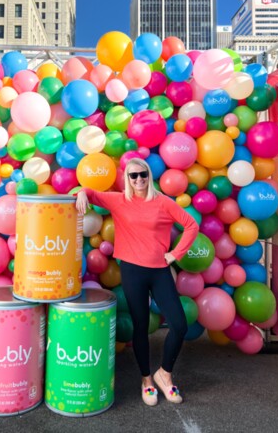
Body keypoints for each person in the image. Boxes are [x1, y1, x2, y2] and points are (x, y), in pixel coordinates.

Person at [76, 157, 199, 406]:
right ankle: (146, 380)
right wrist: (81, 193)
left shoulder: (162, 201)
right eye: (133, 176)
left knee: (179, 324)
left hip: (159, 270)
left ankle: (164, 374)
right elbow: (90, 191)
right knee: (140, 327)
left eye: (143, 174)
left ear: (149, 175)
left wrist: (175, 254)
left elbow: (191, 225)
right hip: (132, 271)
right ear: (127, 179)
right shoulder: (119, 200)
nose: (139, 179)